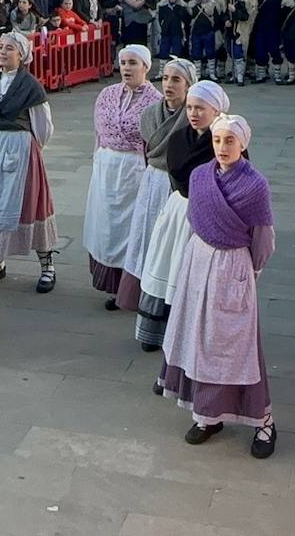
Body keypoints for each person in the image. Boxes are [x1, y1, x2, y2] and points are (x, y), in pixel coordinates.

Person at [158, 114, 277, 458]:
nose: (222, 147)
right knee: (199, 336)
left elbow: (263, 240)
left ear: (243, 144)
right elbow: (194, 218)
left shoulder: (255, 186)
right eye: (217, 140)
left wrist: (247, 273)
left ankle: (263, 419)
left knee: (236, 345)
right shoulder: (199, 176)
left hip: (232, 264)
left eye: (229, 141)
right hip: (198, 260)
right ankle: (208, 414)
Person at [136, 80, 228, 351]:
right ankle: (158, 331)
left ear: (216, 111)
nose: (194, 113)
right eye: (190, 107)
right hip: (178, 208)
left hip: (207, 214)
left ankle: (191, 335)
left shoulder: (224, 142)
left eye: (201, 108)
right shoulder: (178, 138)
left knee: (193, 275)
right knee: (167, 264)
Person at [0, 32, 59, 293]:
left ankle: (47, 266)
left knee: (30, 205)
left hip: (19, 148)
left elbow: (43, 125)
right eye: (0, 47)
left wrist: (31, 148)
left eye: (9, 48)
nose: (2, 52)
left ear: (21, 55)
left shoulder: (30, 86)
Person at [117, 58, 197, 312]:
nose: (169, 85)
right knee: (144, 236)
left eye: (176, 80)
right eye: (165, 78)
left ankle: (169, 301)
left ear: (188, 85)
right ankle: (139, 295)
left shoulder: (192, 117)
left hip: (177, 187)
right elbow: (145, 148)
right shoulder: (150, 114)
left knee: (170, 244)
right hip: (152, 179)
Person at [85, 44, 161, 306]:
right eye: (124, 62)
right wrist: (98, 161)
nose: (127, 68)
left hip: (136, 169)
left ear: (146, 67)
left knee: (132, 228)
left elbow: (157, 141)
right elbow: (97, 132)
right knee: (107, 227)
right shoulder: (107, 94)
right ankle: (113, 285)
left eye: (133, 63)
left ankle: (132, 288)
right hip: (107, 169)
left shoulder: (155, 101)